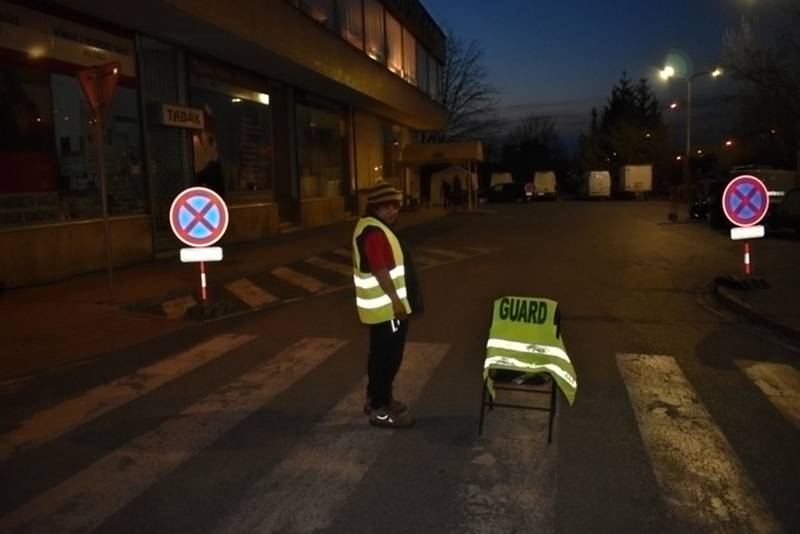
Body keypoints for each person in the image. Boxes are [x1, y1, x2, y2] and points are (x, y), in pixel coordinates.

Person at [352, 180, 423, 428]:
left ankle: (377, 400)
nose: (392, 212)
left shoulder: (372, 227)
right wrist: (396, 302)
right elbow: (380, 270)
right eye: (386, 207)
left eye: (395, 206)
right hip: (387, 309)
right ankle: (381, 410)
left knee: (379, 356)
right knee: (388, 359)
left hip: (381, 310)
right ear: (375, 207)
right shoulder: (375, 232)